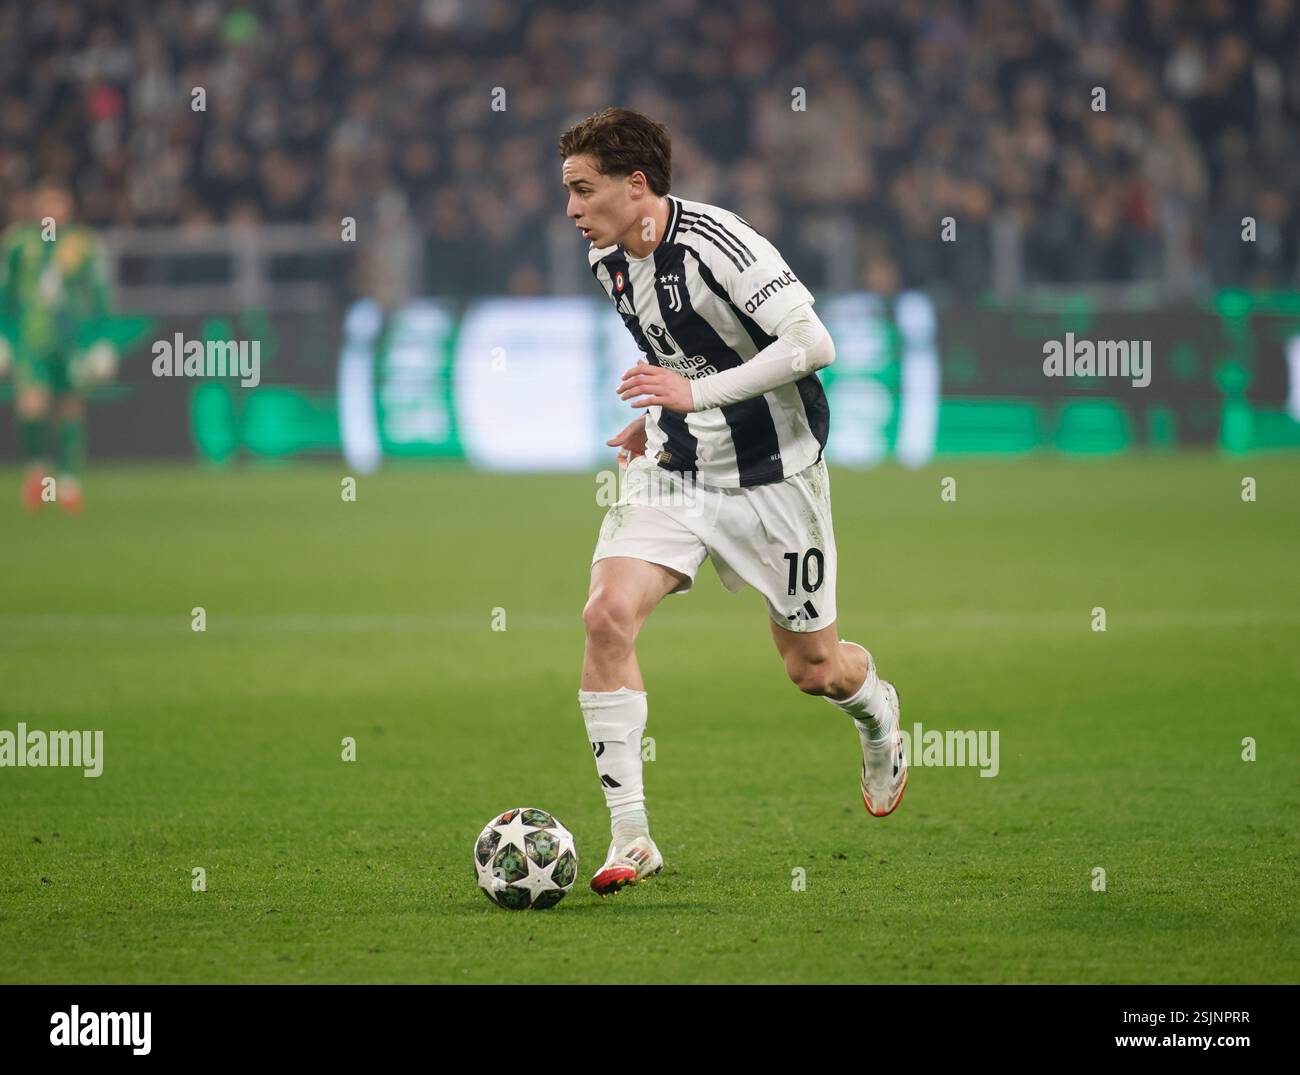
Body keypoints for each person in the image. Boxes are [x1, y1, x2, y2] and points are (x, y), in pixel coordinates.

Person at [559, 108, 908, 898]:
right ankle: (631, 836)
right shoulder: (609, 258)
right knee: (605, 615)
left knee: (814, 669)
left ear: (636, 184)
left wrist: (693, 393)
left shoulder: (722, 243)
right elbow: (674, 353)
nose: (573, 209)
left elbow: (812, 344)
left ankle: (876, 709)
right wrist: (655, 417)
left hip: (775, 479)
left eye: (584, 190)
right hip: (677, 471)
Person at [0, 180, 117, 513]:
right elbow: (4, 295)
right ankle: (39, 471)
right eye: (45, 204)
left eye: (57, 204)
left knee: (68, 407)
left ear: (68, 208)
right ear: (36, 208)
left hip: (71, 341)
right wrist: (3, 337)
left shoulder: (83, 244)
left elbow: (99, 295)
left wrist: (102, 341)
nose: (51, 211)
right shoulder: (18, 243)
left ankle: (67, 482)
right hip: (32, 341)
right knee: (32, 407)